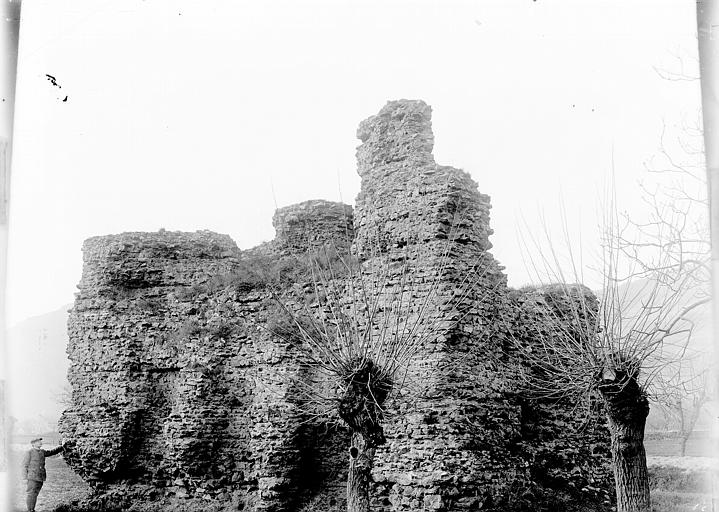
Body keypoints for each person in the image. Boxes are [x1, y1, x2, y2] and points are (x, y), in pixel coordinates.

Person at [21, 437, 65, 512]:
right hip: (32, 477)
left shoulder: (42, 452)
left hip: (40, 477)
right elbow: (24, 465)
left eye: (40, 441)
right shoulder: (29, 452)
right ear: (33, 444)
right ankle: (30, 510)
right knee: (31, 494)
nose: (40, 443)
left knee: (35, 494)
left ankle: (32, 509)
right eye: (38, 442)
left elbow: (52, 452)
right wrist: (24, 478)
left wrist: (62, 446)